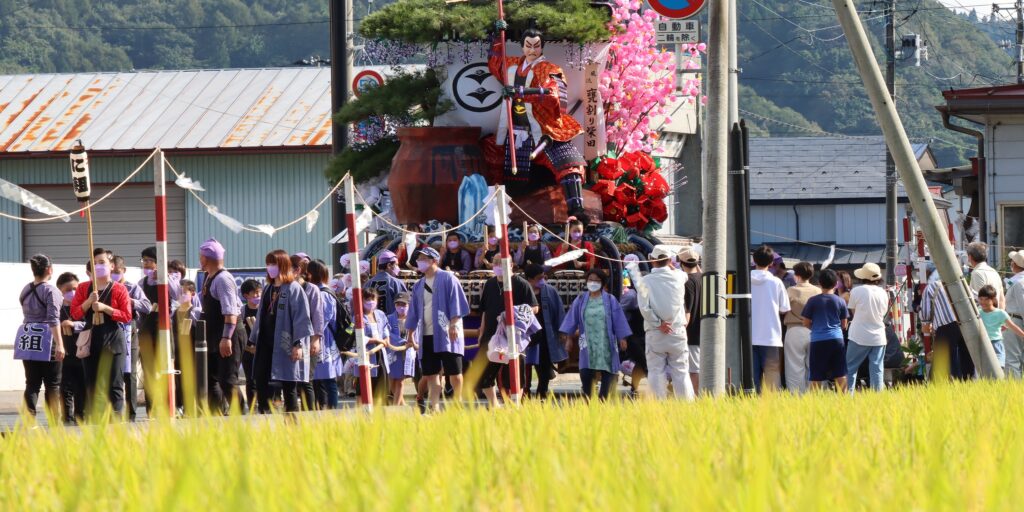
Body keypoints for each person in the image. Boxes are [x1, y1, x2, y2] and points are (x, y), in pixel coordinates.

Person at [488, 25, 588, 220]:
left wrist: (523, 93)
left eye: (536, 46)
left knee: (570, 164)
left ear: (542, 47)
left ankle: (577, 213)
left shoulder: (550, 69)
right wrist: (496, 38)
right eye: (528, 45)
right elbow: (495, 63)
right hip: (515, 131)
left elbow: (553, 94)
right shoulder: (512, 64)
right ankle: (493, 215)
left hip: (543, 132)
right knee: (492, 158)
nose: (532, 50)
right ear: (522, 46)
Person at [247, 250, 314, 414]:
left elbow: (302, 318)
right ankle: (265, 413)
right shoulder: (268, 288)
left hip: (285, 342)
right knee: (261, 379)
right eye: (268, 264)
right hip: (266, 342)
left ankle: (292, 421)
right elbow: (261, 314)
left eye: (273, 264)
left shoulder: (293, 288)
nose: (270, 267)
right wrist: (253, 339)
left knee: (289, 382)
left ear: (283, 265)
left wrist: (298, 344)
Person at [405, 247, 471, 412]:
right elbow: (413, 311)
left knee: (455, 372)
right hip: (426, 334)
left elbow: (457, 302)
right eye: (419, 258)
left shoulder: (448, 278)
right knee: (432, 374)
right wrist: (410, 334)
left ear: (433, 260)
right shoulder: (418, 285)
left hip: (447, 333)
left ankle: (457, 402)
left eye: (423, 258)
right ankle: (433, 407)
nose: (420, 261)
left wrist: (454, 323)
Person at [71, 248, 132, 417]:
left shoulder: (120, 289)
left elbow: (127, 316)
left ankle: (117, 419)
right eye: (95, 263)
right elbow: (75, 313)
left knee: (115, 384)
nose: (98, 266)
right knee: (92, 383)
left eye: (102, 262)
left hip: (113, 337)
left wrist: (106, 308)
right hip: (91, 338)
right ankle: (96, 421)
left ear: (111, 266)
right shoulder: (84, 288)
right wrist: (88, 302)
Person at [474, 256, 538, 407]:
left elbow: (534, 308)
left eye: (501, 262)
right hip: (491, 335)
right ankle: (494, 404)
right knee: (484, 372)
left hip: (513, 337)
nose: (498, 265)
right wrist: (482, 332)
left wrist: (515, 313)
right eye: (495, 262)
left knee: (514, 372)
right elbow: (485, 310)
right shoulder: (489, 284)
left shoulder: (521, 284)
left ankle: (515, 405)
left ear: (511, 265)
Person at [560, 269, 631, 400]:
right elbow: (572, 319)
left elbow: (619, 319)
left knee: (608, 373)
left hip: (606, 343)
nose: (593, 283)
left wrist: (622, 338)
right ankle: (589, 402)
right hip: (588, 343)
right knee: (586, 374)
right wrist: (569, 338)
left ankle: (604, 401)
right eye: (590, 280)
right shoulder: (581, 299)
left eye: (596, 280)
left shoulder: (610, 300)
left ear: (603, 283)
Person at [639, 246, 695, 400]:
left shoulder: (645, 281)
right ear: (670, 261)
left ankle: (658, 407)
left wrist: (658, 323)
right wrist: (671, 265)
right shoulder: (679, 277)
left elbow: (644, 308)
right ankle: (687, 406)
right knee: (681, 371)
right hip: (677, 331)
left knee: (656, 371)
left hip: (655, 332)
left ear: (651, 260)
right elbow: (683, 273)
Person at [197, 239, 246, 414]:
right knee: (209, 378)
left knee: (228, 379)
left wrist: (226, 338)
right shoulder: (208, 277)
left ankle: (241, 415)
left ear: (206, 258)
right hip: (214, 335)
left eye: (201, 256)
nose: (199, 259)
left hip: (228, 334)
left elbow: (230, 312)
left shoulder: (223, 279)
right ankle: (217, 415)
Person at [18, 254, 66, 418]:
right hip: (47, 338)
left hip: (28, 337)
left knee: (31, 383)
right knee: (52, 384)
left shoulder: (25, 289)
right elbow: (53, 319)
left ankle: (29, 419)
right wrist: (60, 344)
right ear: (49, 269)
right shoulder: (52, 291)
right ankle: (53, 420)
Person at [137, 245, 181, 413]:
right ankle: (151, 408)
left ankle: (170, 406)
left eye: (150, 261)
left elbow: (178, 294)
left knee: (166, 368)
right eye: (144, 260)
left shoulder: (169, 278)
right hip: (147, 330)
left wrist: (164, 277)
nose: (146, 264)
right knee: (148, 371)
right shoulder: (141, 283)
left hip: (164, 329)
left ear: (158, 263)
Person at [111, 255, 151, 421]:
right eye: (111, 272)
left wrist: (130, 301)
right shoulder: (103, 287)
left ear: (123, 270)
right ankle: (114, 411)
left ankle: (131, 413)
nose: (114, 274)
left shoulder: (132, 287)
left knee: (130, 373)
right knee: (113, 372)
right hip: (111, 331)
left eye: (117, 272)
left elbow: (147, 306)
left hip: (129, 330)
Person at [920, 263, 974, 380]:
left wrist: (926, 324)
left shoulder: (931, 287)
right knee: (965, 360)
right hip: (967, 323)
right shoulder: (962, 284)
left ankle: (939, 387)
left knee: (942, 361)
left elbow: (925, 311)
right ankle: (966, 385)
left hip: (946, 324)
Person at [523, 264, 567, 400]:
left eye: (543, 277)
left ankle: (542, 392)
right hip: (526, 337)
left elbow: (559, 311)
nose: (542, 280)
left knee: (543, 366)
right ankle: (525, 392)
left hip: (545, 337)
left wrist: (562, 331)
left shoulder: (550, 291)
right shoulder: (522, 291)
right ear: (530, 279)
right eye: (539, 278)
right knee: (525, 366)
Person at [800, 269, 849, 391]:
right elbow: (844, 325)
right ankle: (845, 401)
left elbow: (805, 322)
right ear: (836, 284)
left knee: (816, 375)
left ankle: (815, 403)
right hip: (837, 339)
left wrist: (816, 328)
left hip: (818, 340)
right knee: (840, 373)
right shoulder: (840, 301)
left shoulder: (813, 301)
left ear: (820, 283)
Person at [750, 245, 790, 392]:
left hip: (748, 336)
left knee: (751, 380)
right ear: (772, 263)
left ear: (753, 261)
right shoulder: (776, 282)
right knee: (772, 382)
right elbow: (784, 309)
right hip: (771, 336)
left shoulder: (743, 281)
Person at [846, 262, 890, 392]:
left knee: (850, 368)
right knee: (877, 369)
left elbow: (853, 312)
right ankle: (878, 399)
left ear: (862, 276)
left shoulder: (856, 291)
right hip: (878, 336)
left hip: (858, 335)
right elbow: (883, 313)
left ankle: (848, 398)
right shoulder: (883, 293)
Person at [344, 288, 391, 404]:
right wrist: (374, 340)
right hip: (365, 355)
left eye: (372, 299)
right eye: (367, 299)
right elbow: (354, 334)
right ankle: (362, 413)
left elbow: (386, 331)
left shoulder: (380, 314)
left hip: (381, 355)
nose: (370, 302)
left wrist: (385, 340)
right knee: (363, 386)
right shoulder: (357, 317)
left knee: (380, 386)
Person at [308, 260, 343, 410]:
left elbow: (325, 318)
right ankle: (322, 407)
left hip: (323, 338)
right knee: (318, 379)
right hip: (321, 336)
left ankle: (332, 409)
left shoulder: (323, 294)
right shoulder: (317, 291)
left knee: (328, 379)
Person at [291, 254, 323, 410]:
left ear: (297, 270)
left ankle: (308, 415)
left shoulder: (311, 289)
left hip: (308, 340)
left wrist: (316, 339)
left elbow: (317, 316)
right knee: (292, 381)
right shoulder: (287, 287)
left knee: (306, 380)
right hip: (290, 340)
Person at [783, 262, 819, 394]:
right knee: (813, 365)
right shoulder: (817, 291)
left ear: (796, 275)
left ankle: (797, 396)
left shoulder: (791, 290)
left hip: (794, 329)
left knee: (794, 366)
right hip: (815, 331)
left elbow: (782, 309)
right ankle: (815, 395)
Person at [57, 272, 86, 424]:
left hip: (82, 352)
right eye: (67, 290)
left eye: (75, 288)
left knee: (82, 387)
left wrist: (74, 324)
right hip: (64, 353)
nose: (72, 292)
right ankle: (67, 419)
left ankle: (81, 418)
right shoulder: (57, 309)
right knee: (65, 388)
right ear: (60, 290)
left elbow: (90, 325)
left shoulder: (84, 306)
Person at [978, 284, 1024, 369]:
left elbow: (1013, 326)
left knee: (998, 369)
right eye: (981, 299)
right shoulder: (977, 312)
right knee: (984, 370)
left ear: (993, 299)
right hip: (982, 343)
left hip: (996, 343)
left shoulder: (1000, 313)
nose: (983, 302)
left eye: (986, 299)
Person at [386, 292, 416, 406]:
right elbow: (387, 334)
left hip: (407, 353)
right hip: (393, 353)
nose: (401, 306)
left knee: (400, 381)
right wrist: (403, 342)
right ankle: (402, 405)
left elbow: (416, 336)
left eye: (403, 304)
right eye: (398, 304)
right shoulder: (389, 318)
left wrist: (414, 344)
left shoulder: (413, 319)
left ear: (409, 305)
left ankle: (395, 407)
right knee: (392, 380)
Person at [679, 247, 702, 391]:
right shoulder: (704, 277)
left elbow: (687, 311)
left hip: (692, 333)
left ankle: (697, 400)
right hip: (704, 331)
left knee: (693, 371)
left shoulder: (686, 282)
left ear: (680, 262)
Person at [239, 279, 263, 409]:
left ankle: (265, 406)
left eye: (259, 293)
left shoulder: (264, 310)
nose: (258, 296)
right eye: (254, 293)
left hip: (263, 352)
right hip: (248, 352)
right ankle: (252, 407)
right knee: (251, 380)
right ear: (245, 296)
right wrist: (248, 348)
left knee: (264, 380)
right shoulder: (242, 312)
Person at [366, 250, 409, 315]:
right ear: (389, 265)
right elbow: (404, 305)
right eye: (396, 265)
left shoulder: (368, 283)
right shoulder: (396, 282)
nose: (398, 268)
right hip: (392, 323)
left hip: (373, 322)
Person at [1004, 250, 1024, 378]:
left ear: (1016, 264)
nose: (1011, 263)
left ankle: (1014, 389)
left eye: (1013, 261)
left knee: (1012, 359)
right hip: (1018, 320)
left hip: (1015, 321)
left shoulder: (1018, 283)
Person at [967, 242, 1003, 308]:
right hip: (995, 314)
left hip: (986, 316)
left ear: (970, 257)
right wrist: (1000, 315)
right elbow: (1001, 299)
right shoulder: (994, 271)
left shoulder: (977, 273)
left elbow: (980, 300)